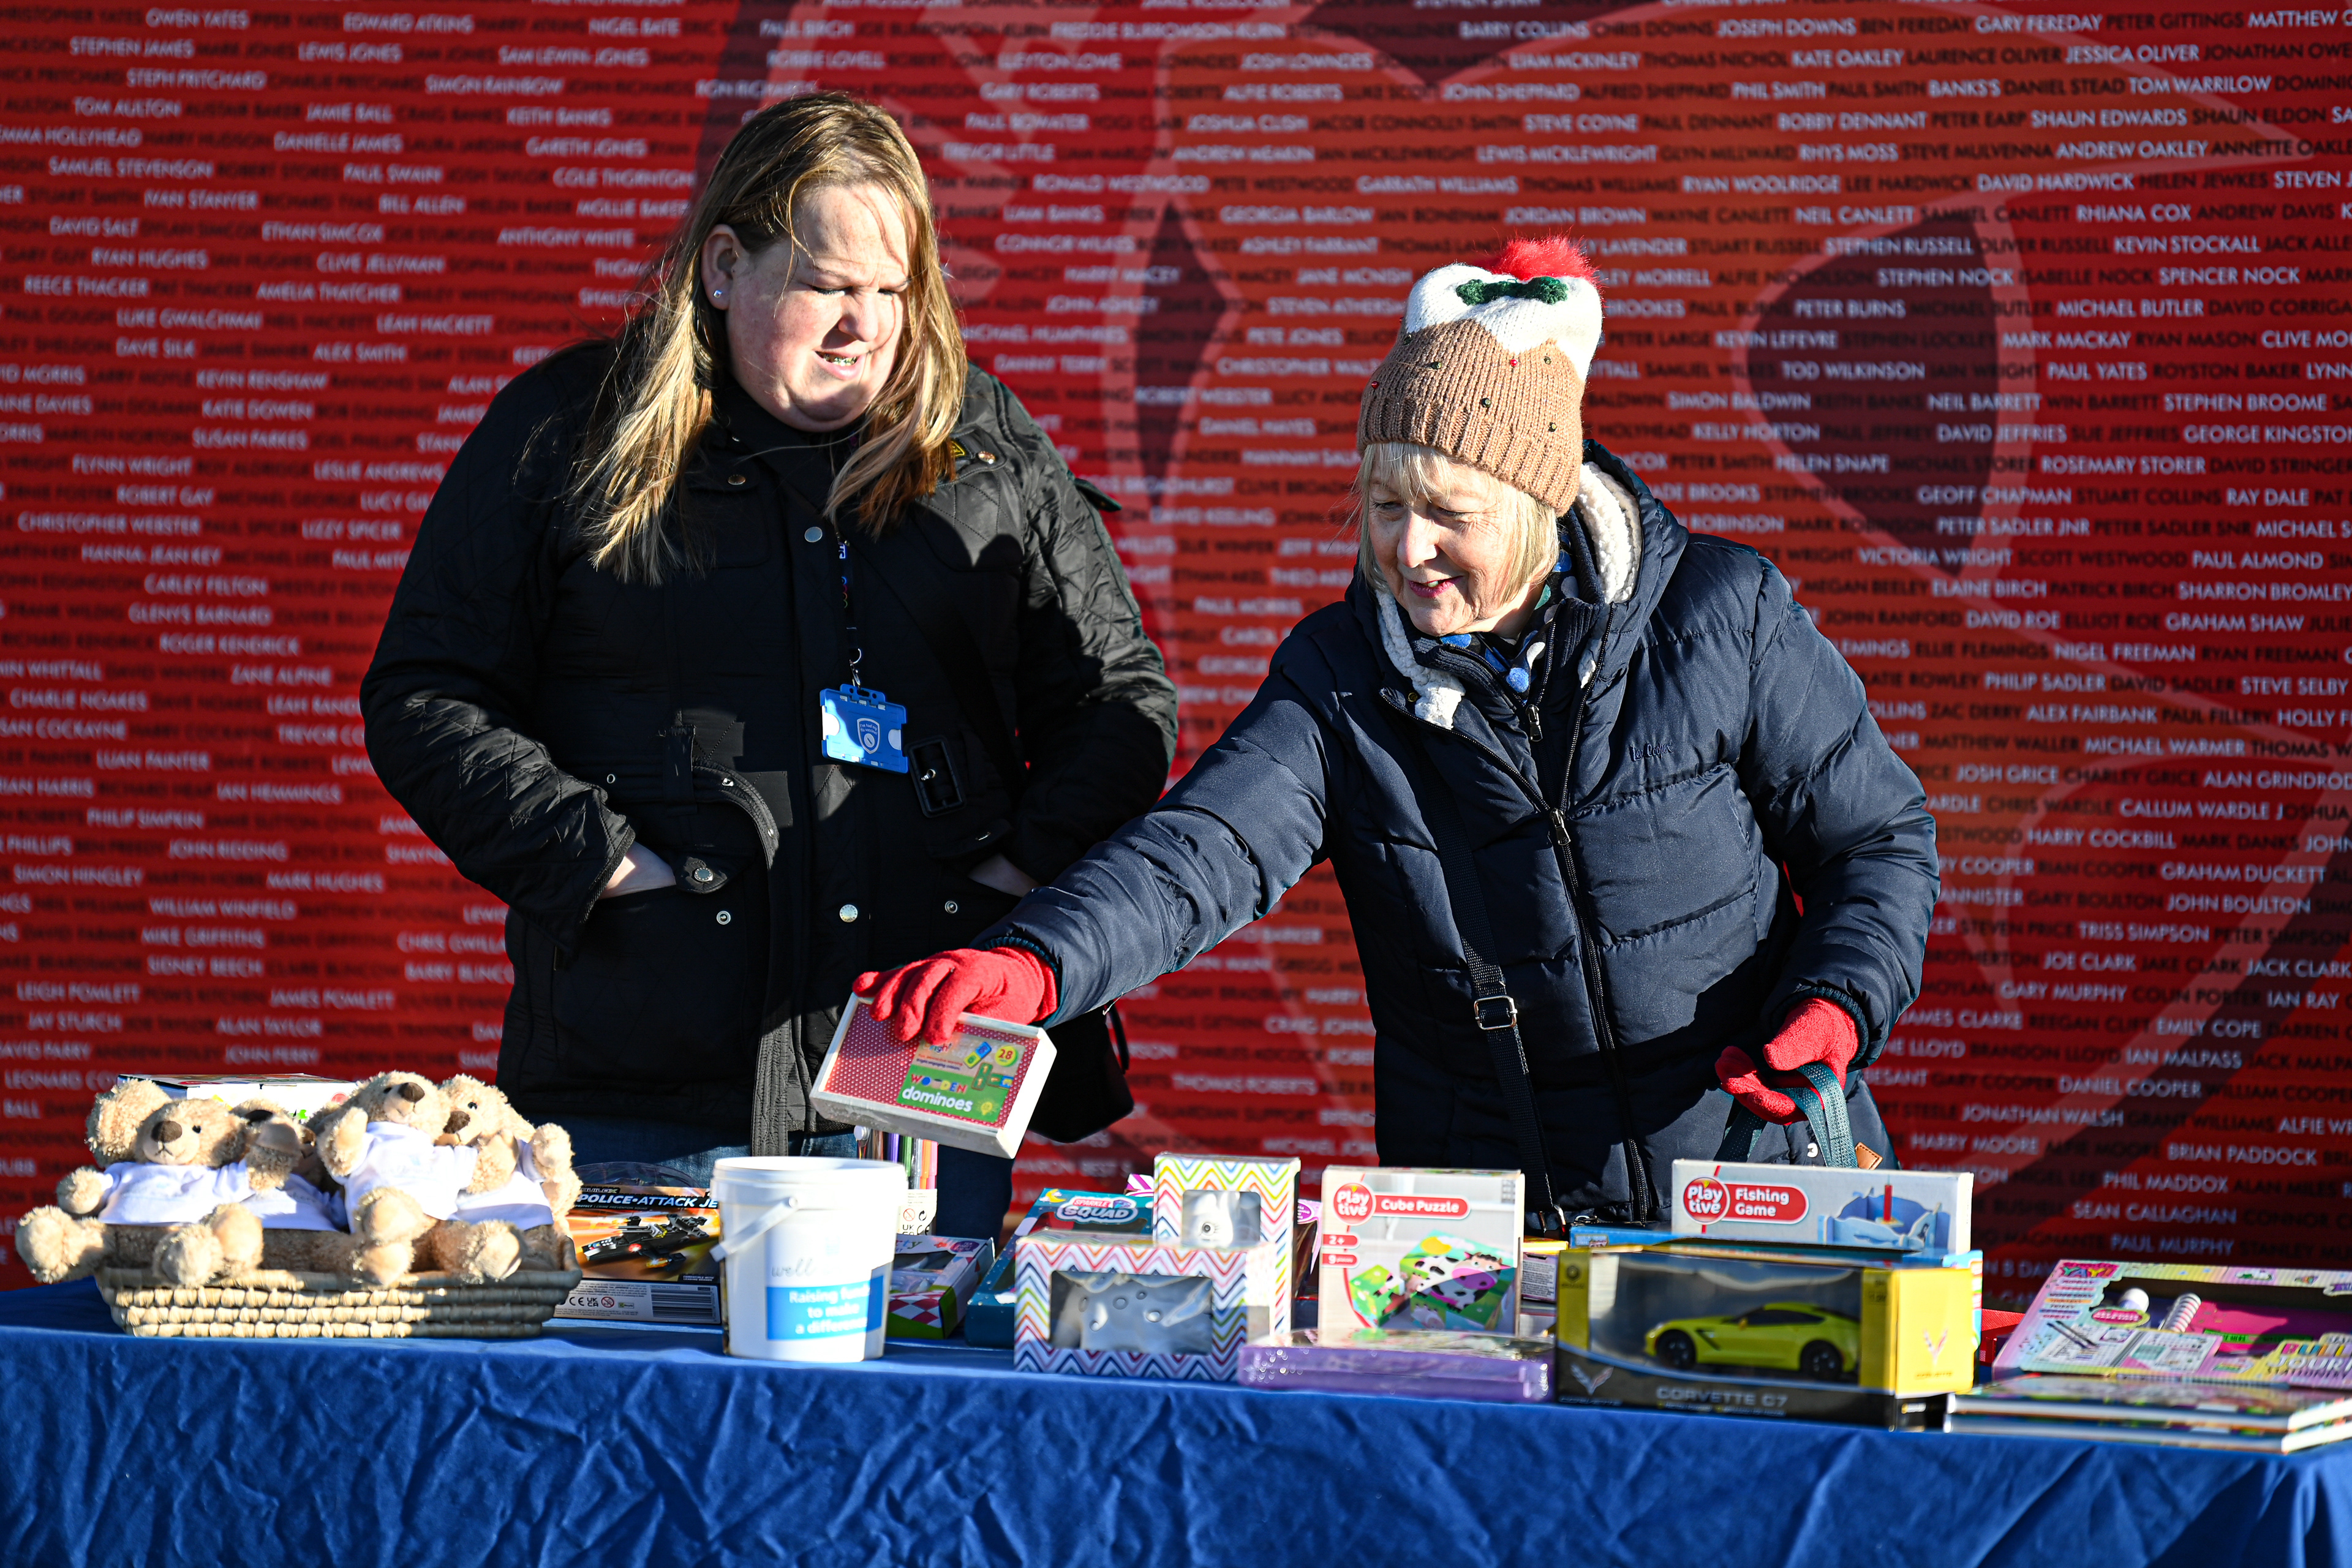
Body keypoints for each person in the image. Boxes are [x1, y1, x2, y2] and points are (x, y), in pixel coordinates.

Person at [860, 236, 1938, 1224]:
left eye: (1450, 516)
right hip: (1492, 1228)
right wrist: (1032, 965)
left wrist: (1833, 1006)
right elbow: (1200, 854)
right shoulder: (1341, 677)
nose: (1408, 549)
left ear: (1536, 503)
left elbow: (1878, 843)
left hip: (1755, 1184)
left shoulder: (1723, 616)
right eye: (1385, 507)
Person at [362, 94, 1176, 1231]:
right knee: (647, 1358)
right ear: (723, 266)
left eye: (895, 289)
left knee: (912, 1357)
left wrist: (1008, 879)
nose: (866, 326)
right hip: (641, 1084)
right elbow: (427, 693)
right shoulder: (573, 431)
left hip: (920, 1083)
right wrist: (603, 863)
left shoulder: (983, 439)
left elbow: (1119, 699)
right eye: (828, 285)